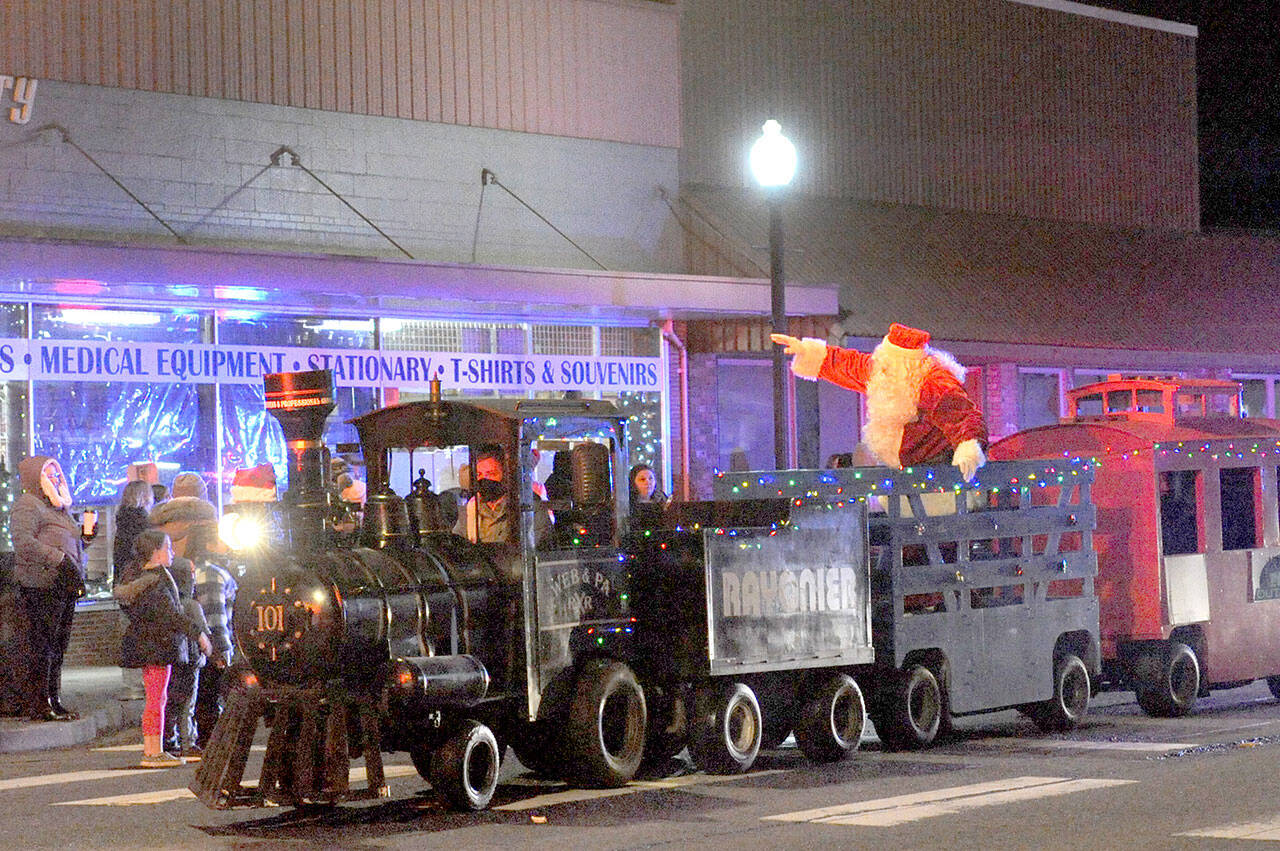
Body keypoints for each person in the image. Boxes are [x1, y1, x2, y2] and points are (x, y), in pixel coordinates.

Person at [772, 323, 989, 482]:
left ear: (905, 366)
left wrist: (968, 446)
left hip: (936, 472)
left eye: (886, 366)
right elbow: (847, 364)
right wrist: (806, 351)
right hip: (904, 475)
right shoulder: (884, 372)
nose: (880, 370)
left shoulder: (934, 383)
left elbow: (964, 416)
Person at [115, 529, 211, 768]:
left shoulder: (141, 580)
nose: (172, 552)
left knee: (158, 696)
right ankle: (152, 751)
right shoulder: (156, 582)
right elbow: (171, 615)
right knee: (157, 698)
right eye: (167, 547)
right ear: (155, 552)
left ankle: (154, 748)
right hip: (156, 646)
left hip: (149, 645)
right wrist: (198, 634)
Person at [12, 455, 95, 722]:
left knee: (58, 644)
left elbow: (69, 542)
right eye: (50, 475)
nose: (56, 479)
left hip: (62, 585)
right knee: (43, 645)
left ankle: (54, 698)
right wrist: (58, 558)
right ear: (37, 478)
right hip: (41, 584)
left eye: (57, 474)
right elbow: (23, 541)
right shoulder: (29, 505)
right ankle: (39, 702)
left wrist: (84, 538)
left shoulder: (59, 508)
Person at [191, 523, 237, 749]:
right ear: (210, 543)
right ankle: (210, 742)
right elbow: (214, 615)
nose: (228, 544)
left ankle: (207, 739)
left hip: (206, 645)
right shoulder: (211, 573)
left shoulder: (208, 569)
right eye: (222, 540)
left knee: (206, 696)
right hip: (211, 647)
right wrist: (222, 648)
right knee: (209, 696)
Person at [163, 556, 209, 761]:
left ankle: (168, 740)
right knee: (187, 704)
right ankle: (188, 742)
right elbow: (203, 630)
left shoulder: (168, 602)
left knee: (171, 702)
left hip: (172, 659)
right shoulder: (191, 606)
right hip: (191, 660)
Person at [113, 480, 154, 586]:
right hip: (138, 576)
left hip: (122, 574)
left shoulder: (122, 518)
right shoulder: (144, 522)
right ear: (145, 496)